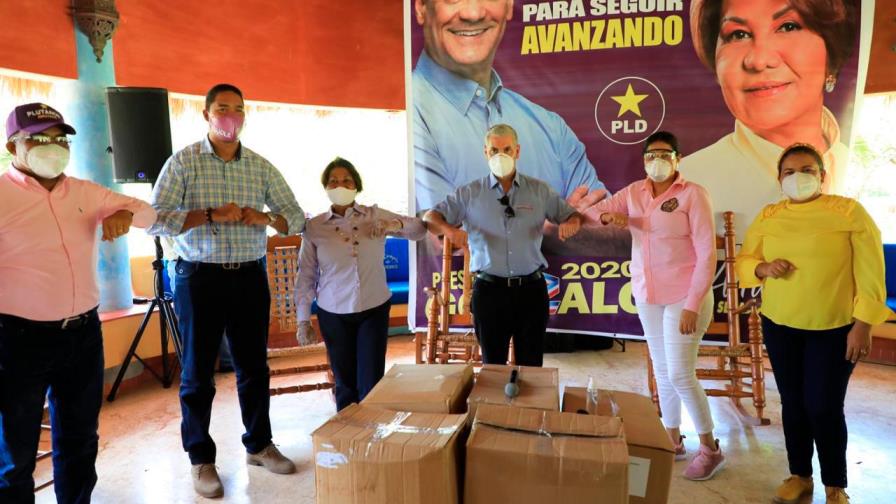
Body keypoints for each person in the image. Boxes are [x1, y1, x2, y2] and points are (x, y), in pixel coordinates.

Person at [148, 84, 305, 498]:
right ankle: (201, 460)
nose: (230, 116)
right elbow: (155, 219)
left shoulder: (261, 167)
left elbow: (294, 217)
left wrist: (267, 217)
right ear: (206, 115)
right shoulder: (183, 163)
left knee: (254, 368)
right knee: (198, 373)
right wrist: (209, 214)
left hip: (250, 277)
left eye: (238, 109)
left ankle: (258, 444)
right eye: (222, 109)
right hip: (199, 278)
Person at [0, 103, 156, 503]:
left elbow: (148, 213)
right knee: (15, 453)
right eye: (38, 139)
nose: (52, 147)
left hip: (83, 335)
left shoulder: (85, 192)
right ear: (13, 146)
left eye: (59, 138)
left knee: (80, 441)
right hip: (18, 339)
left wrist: (122, 211)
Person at [735, 144, 893, 504]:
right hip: (780, 324)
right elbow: (748, 258)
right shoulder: (770, 215)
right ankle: (799, 475)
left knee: (823, 404)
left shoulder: (849, 212)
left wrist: (863, 324)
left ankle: (835, 484)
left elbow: (871, 273)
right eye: (789, 172)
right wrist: (763, 268)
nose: (797, 178)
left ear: (822, 176)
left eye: (806, 170)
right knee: (792, 402)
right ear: (779, 179)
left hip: (835, 328)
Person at [412, 0, 626, 256]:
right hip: (478, 293)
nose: (472, 13)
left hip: (542, 291)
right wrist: (552, 226)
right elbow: (444, 242)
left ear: (509, 6)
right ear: (421, 7)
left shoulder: (549, 127)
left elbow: (619, 234)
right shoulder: (409, 116)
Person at [586, 131, 725, 481]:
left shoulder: (693, 194)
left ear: (678, 159)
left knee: (680, 372)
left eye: (664, 154)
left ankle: (710, 448)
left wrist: (693, 304)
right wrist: (610, 218)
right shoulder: (634, 192)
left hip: (686, 296)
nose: (657, 161)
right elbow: (595, 212)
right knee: (662, 371)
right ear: (644, 160)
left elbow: (708, 252)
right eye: (651, 155)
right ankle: (673, 438)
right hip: (648, 295)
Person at [681, 0, 859, 238]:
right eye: (738, 34)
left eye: (788, 27)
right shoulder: (687, 183)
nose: (758, 60)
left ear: (832, 52)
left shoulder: (859, 171)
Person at [423, 124, 583, 366]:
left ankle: (529, 406)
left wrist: (571, 222)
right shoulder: (469, 193)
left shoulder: (539, 191)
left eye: (507, 149)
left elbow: (571, 215)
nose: (501, 155)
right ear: (485, 153)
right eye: (494, 150)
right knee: (493, 367)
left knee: (531, 365)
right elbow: (429, 217)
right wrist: (449, 230)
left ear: (517, 151)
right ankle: (494, 405)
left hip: (531, 290)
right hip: (489, 292)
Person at [295, 158, 427, 411]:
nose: (340, 185)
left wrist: (394, 225)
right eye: (333, 181)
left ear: (356, 185)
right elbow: (306, 275)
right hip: (333, 313)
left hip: (373, 308)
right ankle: (348, 441)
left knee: (372, 381)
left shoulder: (374, 215)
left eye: (346, 180)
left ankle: (371, 439)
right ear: (326, 187)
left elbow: (420, 229)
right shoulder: (314, 227)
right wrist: (303, 320)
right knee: (344, 383)